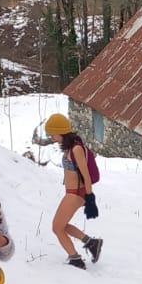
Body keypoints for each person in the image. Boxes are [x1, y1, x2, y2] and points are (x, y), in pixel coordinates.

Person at [45, 113, 103, 269]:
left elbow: (85, 174)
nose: (50, 136)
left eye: (52, 133)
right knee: (61, 226)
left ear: (61, 131)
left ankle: (75, 259)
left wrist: (90, 198)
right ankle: (92, 243)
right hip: (72, 193)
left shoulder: (76, 149)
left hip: (76, 193)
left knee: (57, 227)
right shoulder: (69, 147)